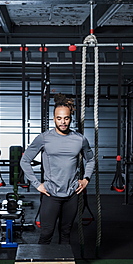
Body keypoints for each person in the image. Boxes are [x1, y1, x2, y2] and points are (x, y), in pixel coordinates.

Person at [20, 93, 95, 245]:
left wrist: (86, 179)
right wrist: (37, 184)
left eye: (66, 118)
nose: (63, 122)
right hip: (50, 194)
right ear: (54, 118)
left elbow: (91, 159)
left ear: (70, 118)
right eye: (59, 118)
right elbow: (25, 161)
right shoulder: (44, 138)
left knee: (66, 233)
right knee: (47, 233)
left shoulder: (80, 139)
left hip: (72, 194)